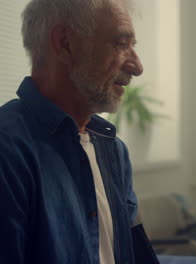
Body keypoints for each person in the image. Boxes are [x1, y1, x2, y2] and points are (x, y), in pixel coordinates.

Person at [0, 0, 144, 263]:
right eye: (120, 44)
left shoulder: (114, 150)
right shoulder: (7, 151)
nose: (137, 66)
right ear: (65, 43)